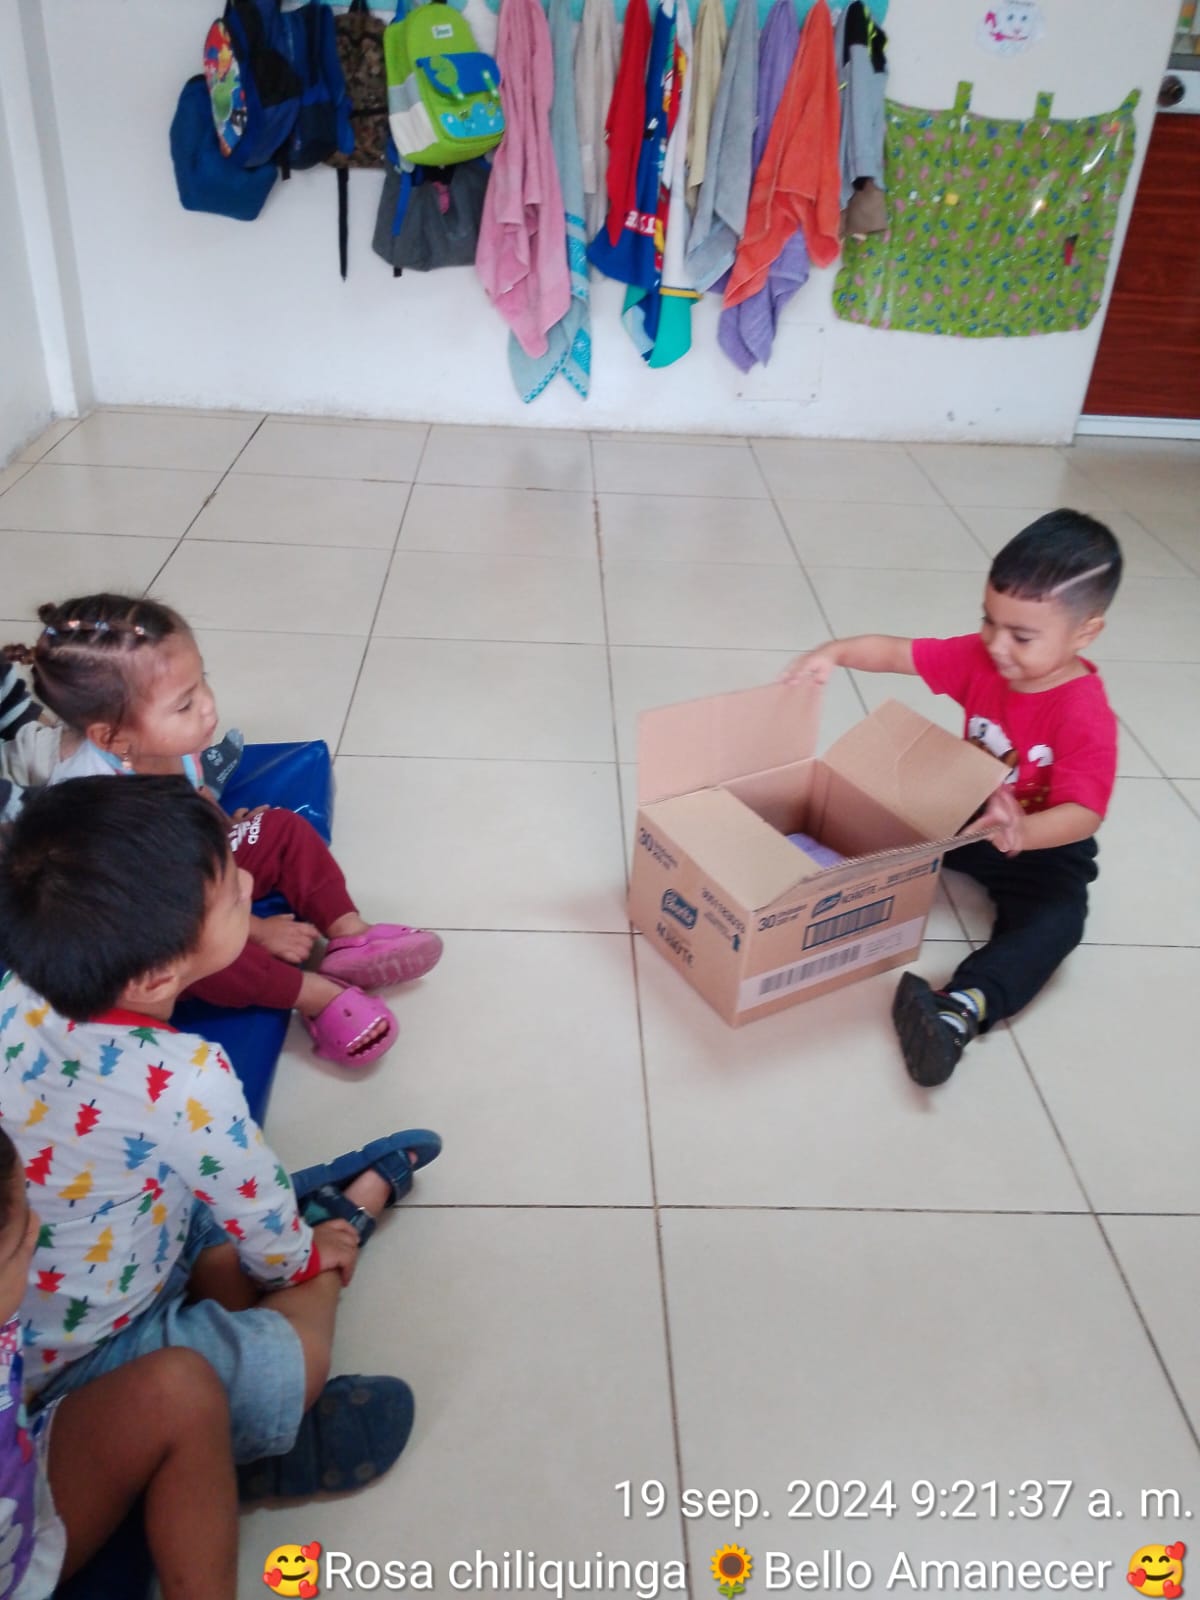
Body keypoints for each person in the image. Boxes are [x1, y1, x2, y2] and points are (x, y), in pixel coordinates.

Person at [0, 776, 441, 1501]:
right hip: (84, 1359)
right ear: (156, 976)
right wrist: (304, 1259)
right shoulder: (188, 1079)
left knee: (213, 1226)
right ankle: (341, 1225)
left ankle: (298, 1230)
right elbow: (263, 1226)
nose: (248, 882)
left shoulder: (19, 990)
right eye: (234, 895)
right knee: (288, 1350)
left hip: (98, 1253)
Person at [8, 594, 444, 1067]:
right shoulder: (98, 802)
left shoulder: (164, 746)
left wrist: (222, 823)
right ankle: (316, 996)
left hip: (193, 864)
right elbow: (146, 908)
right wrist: (256, 930)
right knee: (199, 951)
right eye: (184, 704)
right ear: (112, 737)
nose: (209, 708)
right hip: (147, 910)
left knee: (282, 827)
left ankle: (350, 934)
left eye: (203, 682)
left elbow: (192, 794)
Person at [783, 509, 1122, 1087]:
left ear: (1084, 633)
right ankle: (802, 874)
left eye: (1021, 636)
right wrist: (834, 652)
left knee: (1057, 922)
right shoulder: (981, 657)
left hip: (1042, 844)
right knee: (887, 804)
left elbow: (1084, 813)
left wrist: (1024, 833)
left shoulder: (1083, 712)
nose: (997, 645)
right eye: (988, 621)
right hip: (966, 810)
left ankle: (959, 1008)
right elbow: (897, 654)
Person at [0, 1125, 240, 1600]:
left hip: (26, 1519)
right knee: (284, 1368)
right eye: (23, 1241)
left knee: (181, 1393)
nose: (36, 1232)